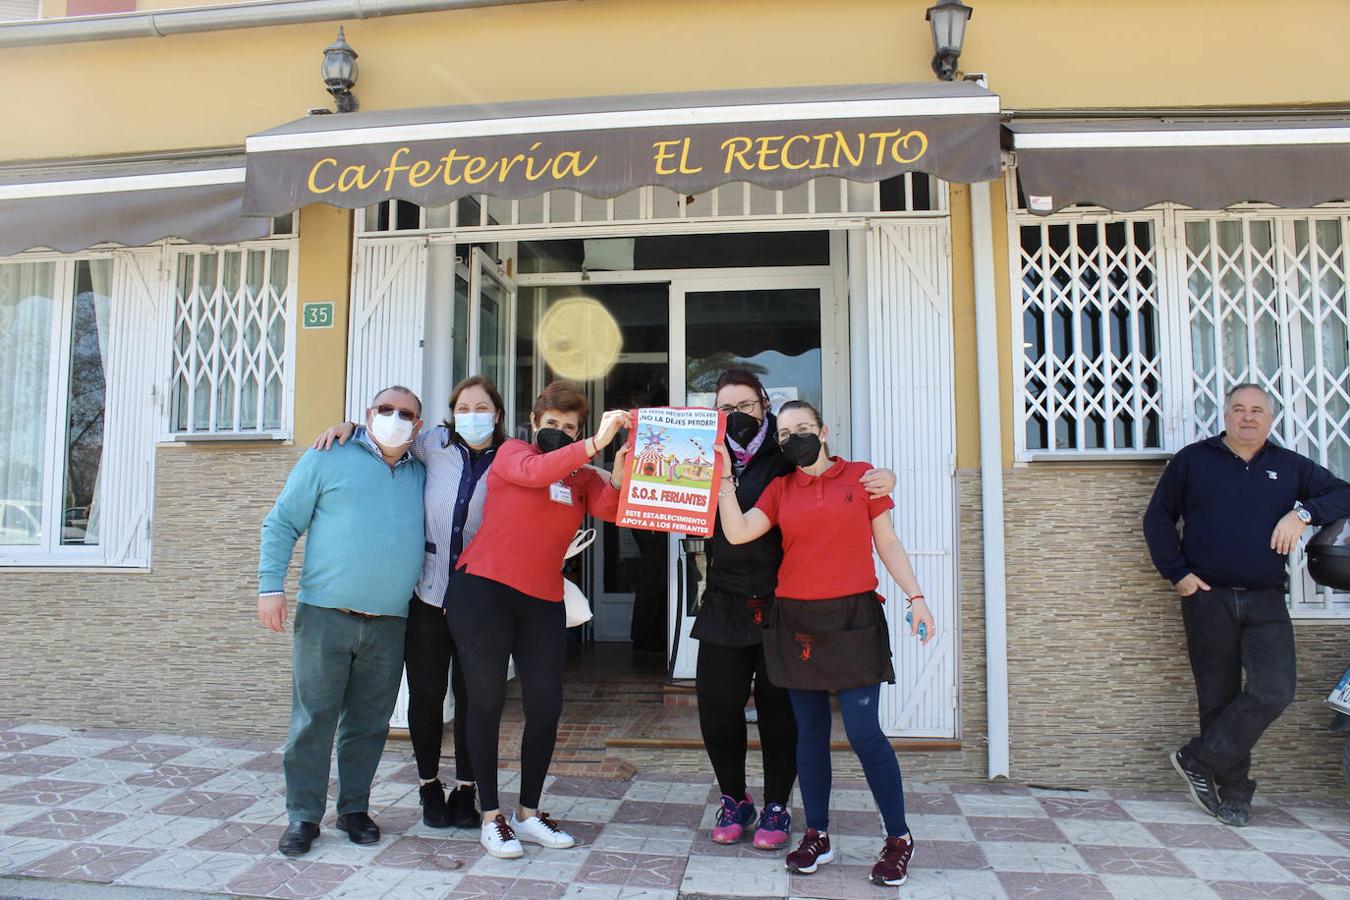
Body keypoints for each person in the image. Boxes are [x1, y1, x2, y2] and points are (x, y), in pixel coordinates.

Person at [714, 400, 935, 888]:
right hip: (796, 622)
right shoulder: (779, 488)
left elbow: (888, 542)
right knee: (809, 737)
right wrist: (725, 482)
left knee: (864, 733)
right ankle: (817, 833)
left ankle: (898, 838)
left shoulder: (861, 478)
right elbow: (738, 531)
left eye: (804, 429)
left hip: (854, 618)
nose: (796, 439)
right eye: (786, 433)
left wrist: (916, 596)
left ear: (824, 430)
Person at [694, 370, 896, 851]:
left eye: (744, 407)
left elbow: (831, 472)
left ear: (764, 405)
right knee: (717, 705)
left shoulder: (784, 453)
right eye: (725, 409)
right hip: (723, 596)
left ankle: (778, 805)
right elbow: (658, 493)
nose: (735, 417)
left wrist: (887, 477)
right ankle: (733, 797)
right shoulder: (701, 454)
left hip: (782, 600)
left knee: (779, 710)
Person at [1143, 383, 1350, 827]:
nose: (1248, 417)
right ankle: (1235, 794)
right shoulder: (1193, 461)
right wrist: (1177, 573)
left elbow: (1344, 494)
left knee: (1274, 689)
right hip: (1207, 597)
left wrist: (1303, 514)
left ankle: (1197, 759)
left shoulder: (1290, 466)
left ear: (1270, 419)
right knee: (1217, 698)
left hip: (1266, 599)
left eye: (1257, 410)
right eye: (1239, 409)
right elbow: (1157, 518)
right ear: (1226, 414)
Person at [313, 375, 507, 830]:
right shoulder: (432, 443)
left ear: (497, 414)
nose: (472, 416)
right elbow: (389, 444)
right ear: (450, 413)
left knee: (473, 698)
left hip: (479, 599)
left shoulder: (510, 457)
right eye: (464, 407)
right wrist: (350, 427)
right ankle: (428, 785)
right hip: (427, 595)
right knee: (426, 697)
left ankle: (466, 788)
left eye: (482, 408)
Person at [447, 380, 632, 859]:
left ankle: (528, 813)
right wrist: (592, 445)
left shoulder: (581, 476)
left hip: (542, 599)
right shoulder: (512, 452)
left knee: (546, 706)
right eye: (552, 424)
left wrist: (625, 463)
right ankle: (491, 816)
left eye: (570, 428)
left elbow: (613, 508)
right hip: (483, 590)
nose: (560, 433)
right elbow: (535, 473)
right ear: (534, 422)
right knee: (485, 702)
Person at [258, 386, 427, 858]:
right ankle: (303, 816)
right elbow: (281, 523)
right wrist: (270, 588)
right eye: (385, 410)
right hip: (324, 616)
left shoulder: (423, 469)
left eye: (406, 413)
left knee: (370, 724)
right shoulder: (328, 455)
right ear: (368, 414)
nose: (395, 418)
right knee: (313, 720)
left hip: (390, 622)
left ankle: (354, 809)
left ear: (418, 424)